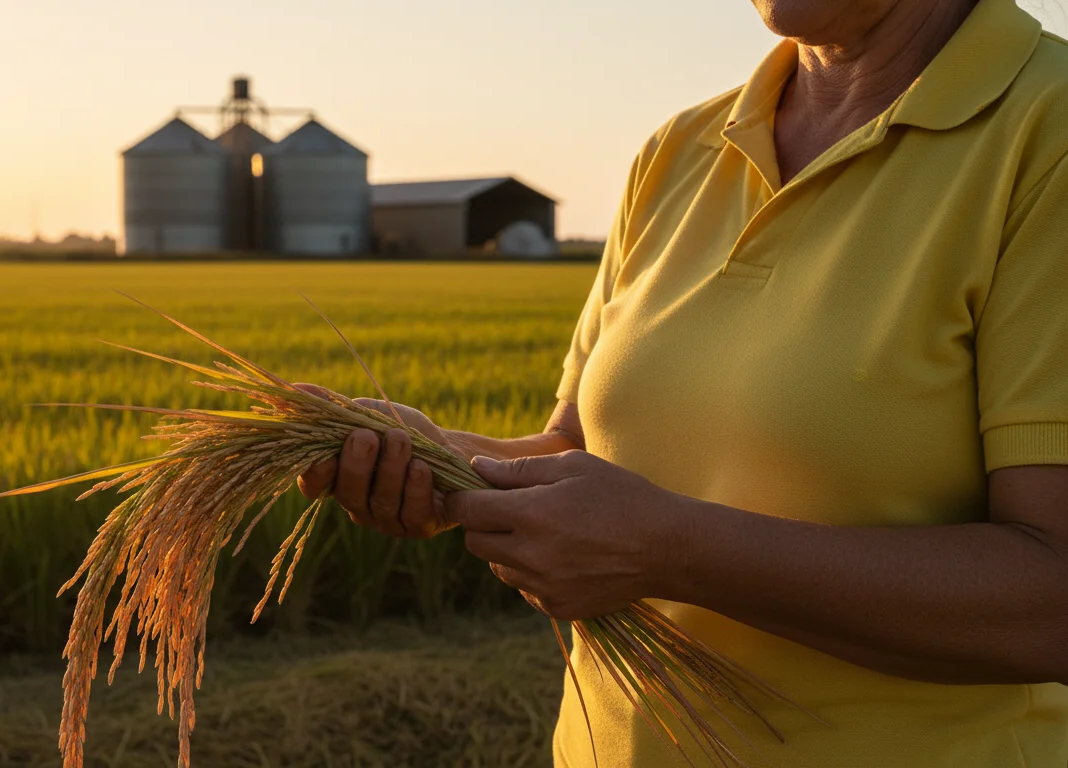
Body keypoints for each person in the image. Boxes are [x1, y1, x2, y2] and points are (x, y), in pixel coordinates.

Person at [298, 0, 1068, 765]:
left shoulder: (1046, 129)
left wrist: (676, 552)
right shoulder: (680, 149)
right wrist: (445, 465)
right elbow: (578, 449)